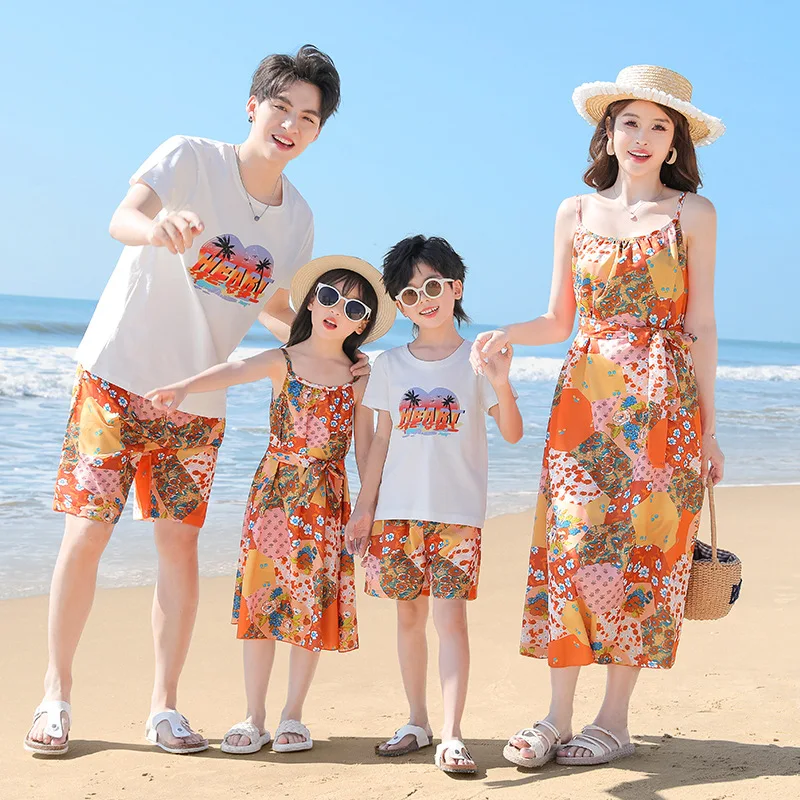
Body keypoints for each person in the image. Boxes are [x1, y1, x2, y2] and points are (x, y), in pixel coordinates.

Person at [23, 45, 363, 756]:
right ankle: (55, 697)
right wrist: (158, 230)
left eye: (308, 117)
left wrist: (341, 357)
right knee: (86, 534)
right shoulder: (190, 157)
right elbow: (122, 218)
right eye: (281, 108)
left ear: (319, 132)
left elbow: (278, 310)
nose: (290, 126)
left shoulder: (297, 218)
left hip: (198, 402)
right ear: (253, 105)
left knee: (177, 549)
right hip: (116, 375)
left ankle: (163, 708)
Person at [472, 65, 725, 768]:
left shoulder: (693, 214)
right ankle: (556, 716)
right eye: (630, 122)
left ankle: (614, 720)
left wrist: (707, 428)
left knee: (647, 553)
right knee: (574, 550)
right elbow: (559, 319)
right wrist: (506, 335)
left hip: (663, 405)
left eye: (658, 125)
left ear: (675, 143)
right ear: (608, 133)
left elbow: (700, 324)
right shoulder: (573, 213)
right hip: (583, 402)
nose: (642, 137)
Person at [147, 256, 395, 754]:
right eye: (328, 296)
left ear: (363, 323)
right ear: (309, 301)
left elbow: (366, 448)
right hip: (274, 493)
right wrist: (185, 387)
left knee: (309, 606)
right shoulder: (282, 359)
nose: (336, 311)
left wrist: (368, 509)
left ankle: (292, 717)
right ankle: (253, 715)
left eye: (352, 307)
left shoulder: (360, 377)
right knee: (263, 606)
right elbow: (235, 369)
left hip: (328, 497)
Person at [346, 236, 523, 774]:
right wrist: (364, 508)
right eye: (408, 293)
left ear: (455, 288)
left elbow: (512, 433)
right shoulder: (388, 365)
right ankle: (416, 721)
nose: (423, 299)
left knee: (451, 621)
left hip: (457, 515)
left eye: (432, 286)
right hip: (396, 512)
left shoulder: (477, 363)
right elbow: (378, 442)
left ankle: (451, 733)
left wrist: (502, 381)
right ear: (398, 305)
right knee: (408, 619)